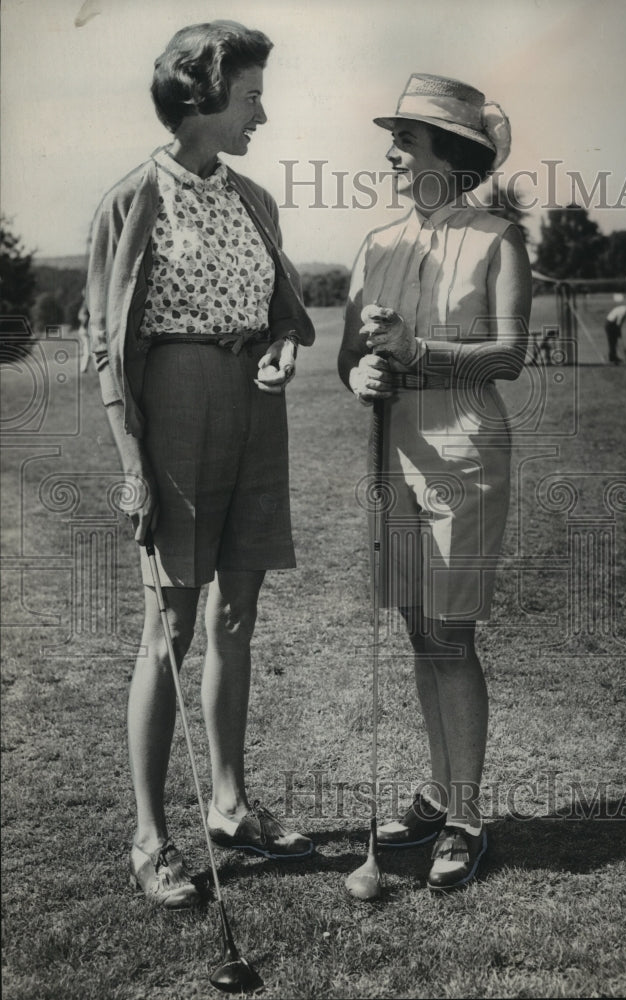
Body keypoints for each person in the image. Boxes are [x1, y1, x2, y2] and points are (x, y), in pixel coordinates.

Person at [86, 20, 315, 910]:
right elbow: (109, 346)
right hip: (172, 410)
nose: (263, 111)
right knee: (170, 625)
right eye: (252, 95)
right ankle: (150, 838)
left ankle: (228, 803)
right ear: (204, 98)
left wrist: (281, 350)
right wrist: (131, 461)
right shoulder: (133, 198)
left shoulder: (255, 196)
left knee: (238, 614)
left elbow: (279, 308)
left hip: (255, 410)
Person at [338, 74, 531, 891]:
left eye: (405, 140)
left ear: (448, 157)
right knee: (421, 630)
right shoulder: (377, 242)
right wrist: (360, 378)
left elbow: (510, 355)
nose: (389, 152)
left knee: (452, 635)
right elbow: (351, 355)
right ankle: (438, 791)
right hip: (396, 451)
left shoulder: (496, 240)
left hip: (463, 449)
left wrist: (421, 354)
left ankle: (465, 817)